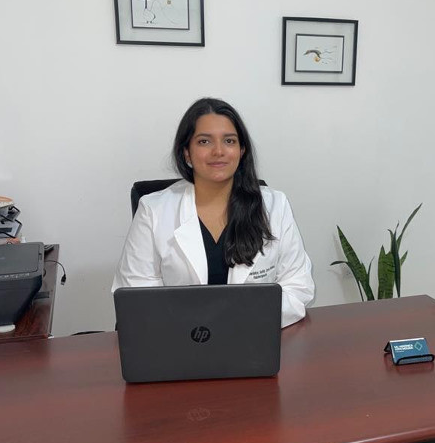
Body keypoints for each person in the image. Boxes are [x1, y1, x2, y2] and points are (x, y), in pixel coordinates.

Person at [112, 98, 314, 327]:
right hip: (178, 339)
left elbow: (297, 287)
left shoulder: (275, 205)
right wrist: (200, 327)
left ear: (241, 150)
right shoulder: (153, 210)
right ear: (186, 153)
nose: (218, 151)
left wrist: (239, 320)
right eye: (204, 141)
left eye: (229, 141)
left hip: (253, 335)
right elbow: (135, 295)